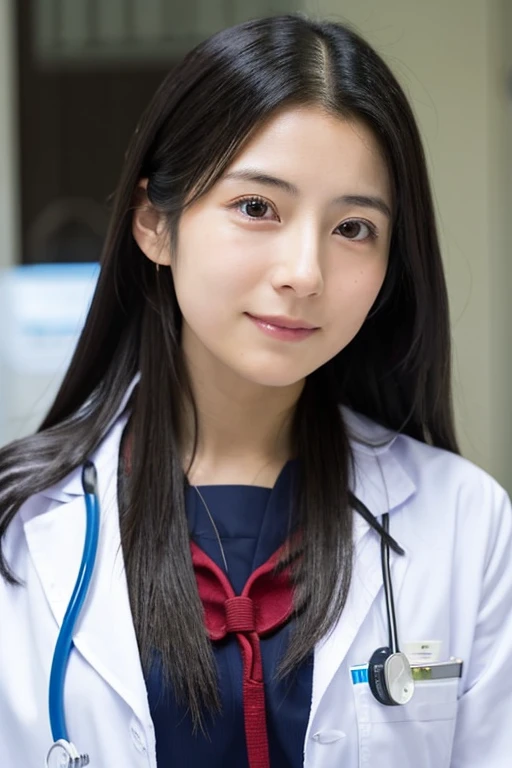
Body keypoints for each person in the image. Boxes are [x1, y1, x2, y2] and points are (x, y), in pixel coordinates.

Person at [0, 13, 510, 768]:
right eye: (257, 208)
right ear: (154, 222)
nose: (305, 272)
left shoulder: (466, 522)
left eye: (354, 228)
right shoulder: (20, 526)